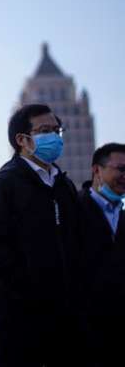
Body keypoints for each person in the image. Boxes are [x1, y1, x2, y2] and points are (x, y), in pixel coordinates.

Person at [0, 104, 85, 366]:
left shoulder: (63, 185)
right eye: (45, 130)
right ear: (22, 140)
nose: (54, 137)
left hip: (65, 312)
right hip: (20, 313)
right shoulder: (4, 184)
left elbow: (76, 241)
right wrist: (26, 285)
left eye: (57, 130)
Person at [77, 143, 125, 367]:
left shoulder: (123, 217)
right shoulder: (72, 211)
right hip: (82, 334)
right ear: (97, 170)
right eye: (121, 169)